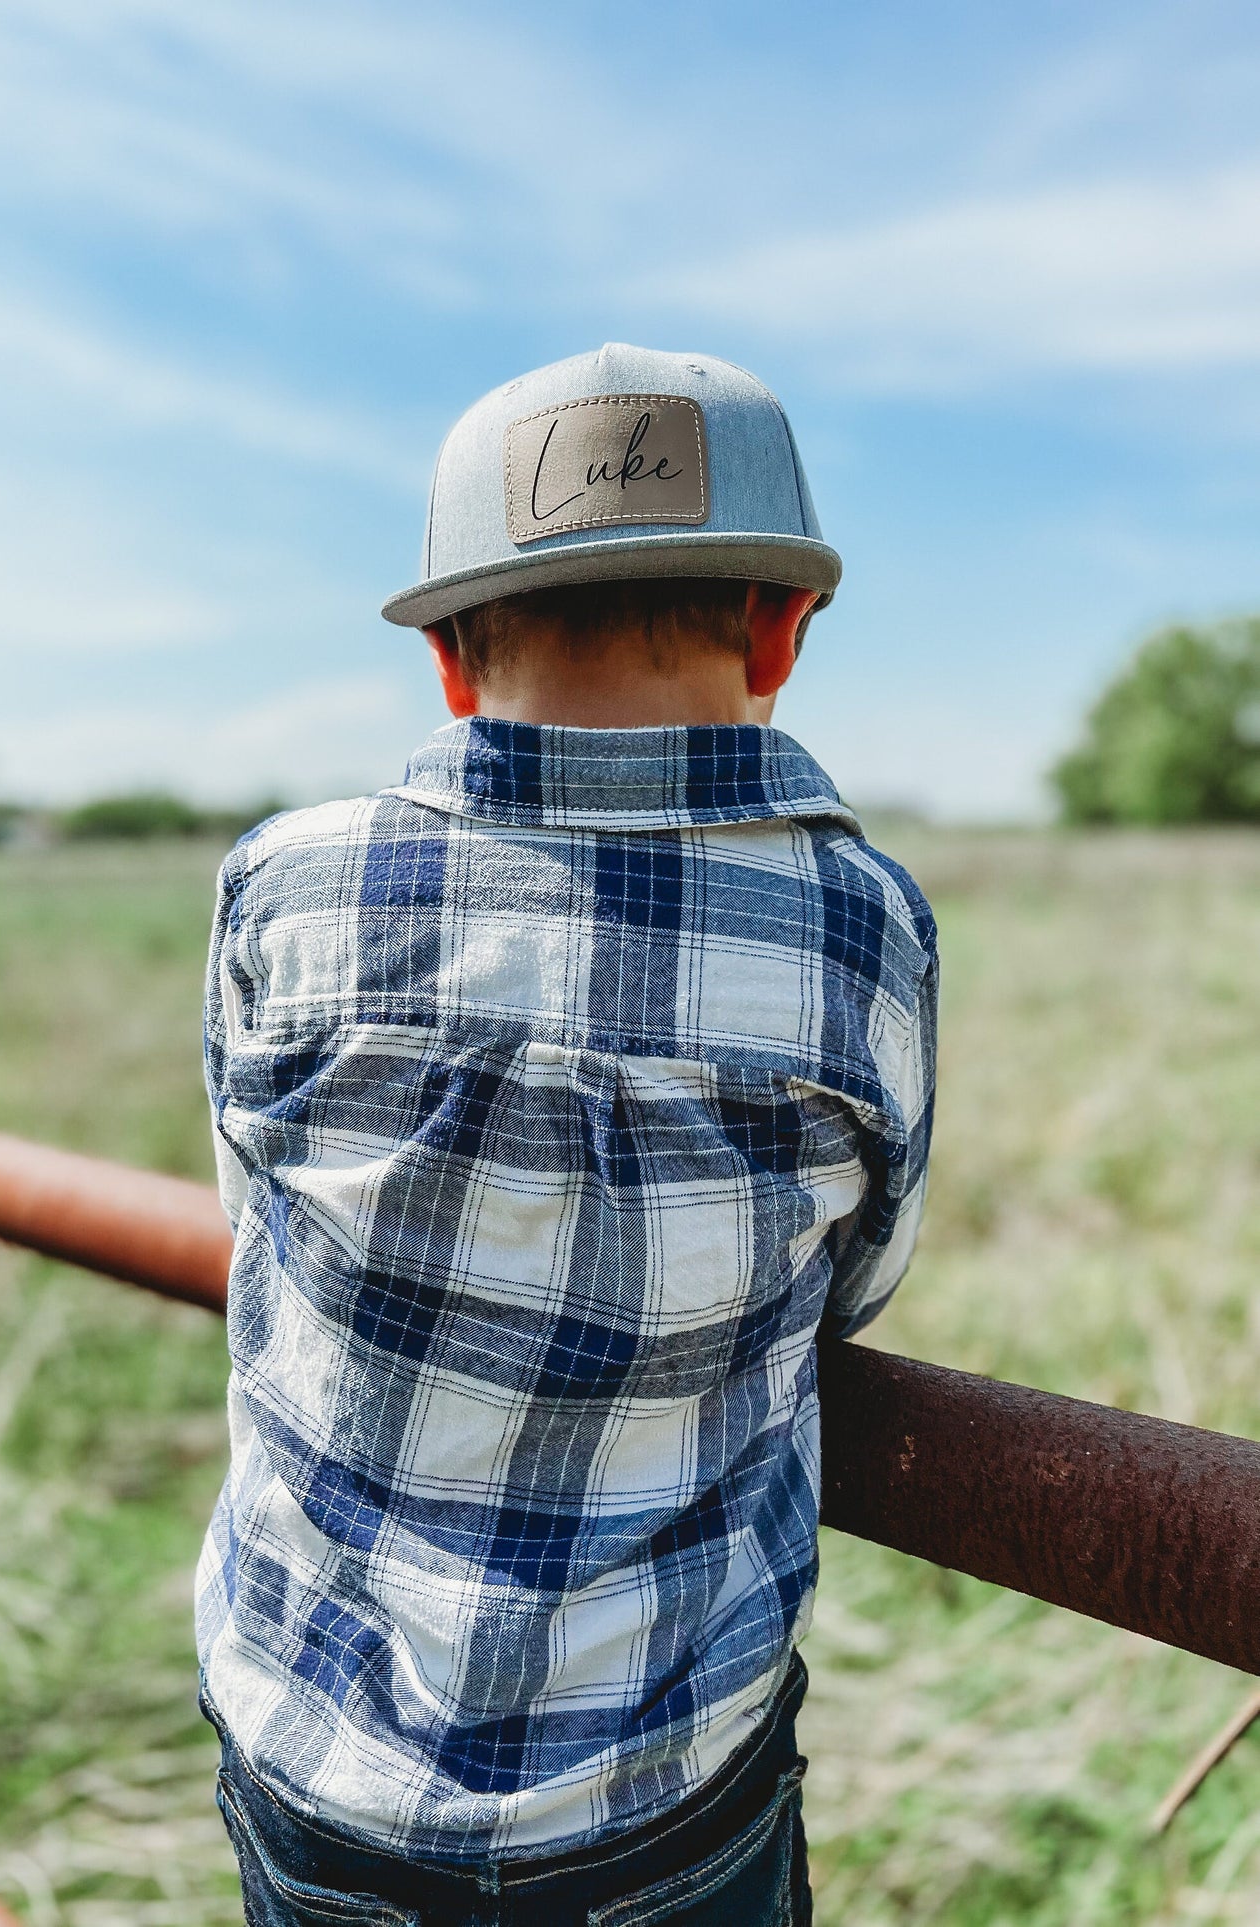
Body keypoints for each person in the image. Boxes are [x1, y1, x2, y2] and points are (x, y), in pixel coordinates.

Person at [197, 344, 939, 1925]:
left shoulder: (285, 886)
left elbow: (249, 1220)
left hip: (314, 1754)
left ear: (451, 661)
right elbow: (857, 1284)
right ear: (779, 630)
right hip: (657, 1798)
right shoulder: (857, 927)